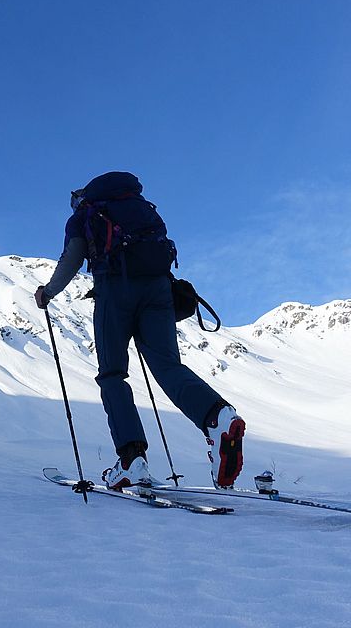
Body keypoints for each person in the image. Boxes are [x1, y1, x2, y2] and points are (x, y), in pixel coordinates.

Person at [34, 171, 246, 490]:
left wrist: (48, 292)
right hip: (159, 290)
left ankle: (132, 460)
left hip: (114, 291)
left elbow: (72, 259)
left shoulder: (85, 214)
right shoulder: (140, 207)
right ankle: (217, 417)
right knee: (167, 366)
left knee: (112, 374)